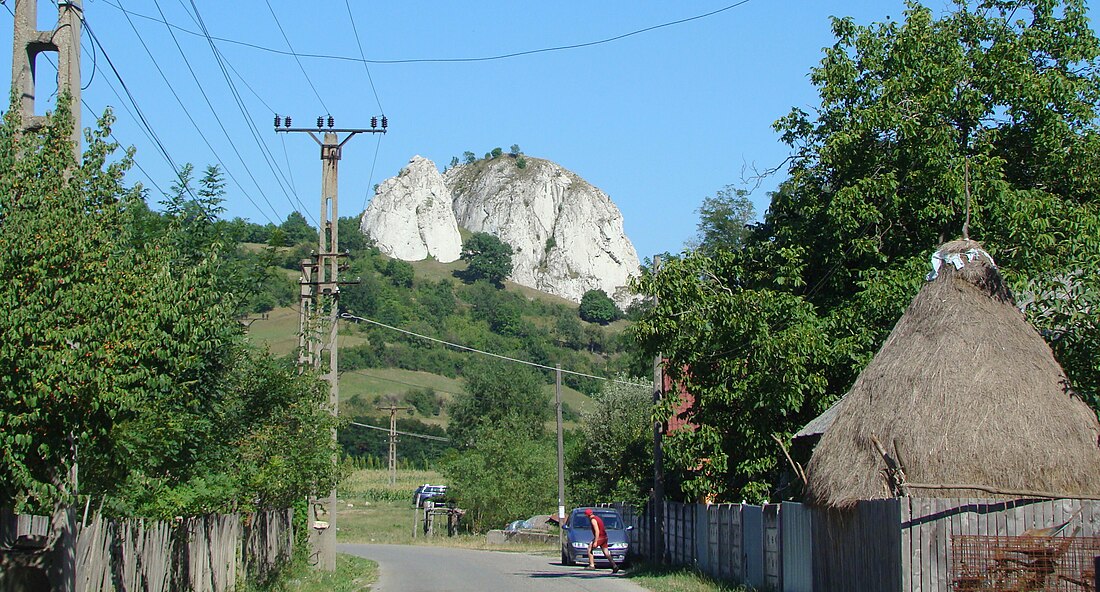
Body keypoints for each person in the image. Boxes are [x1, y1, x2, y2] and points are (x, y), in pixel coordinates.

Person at [584, 508, 619, 573]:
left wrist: (596, 541)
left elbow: (597, 531)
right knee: (606, 553)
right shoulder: (597, 518)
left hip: (599, 537)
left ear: (587, 515)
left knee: (589, 548)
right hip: (604, 537)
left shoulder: (593, 520)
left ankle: (591, 565)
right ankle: (614, 566)